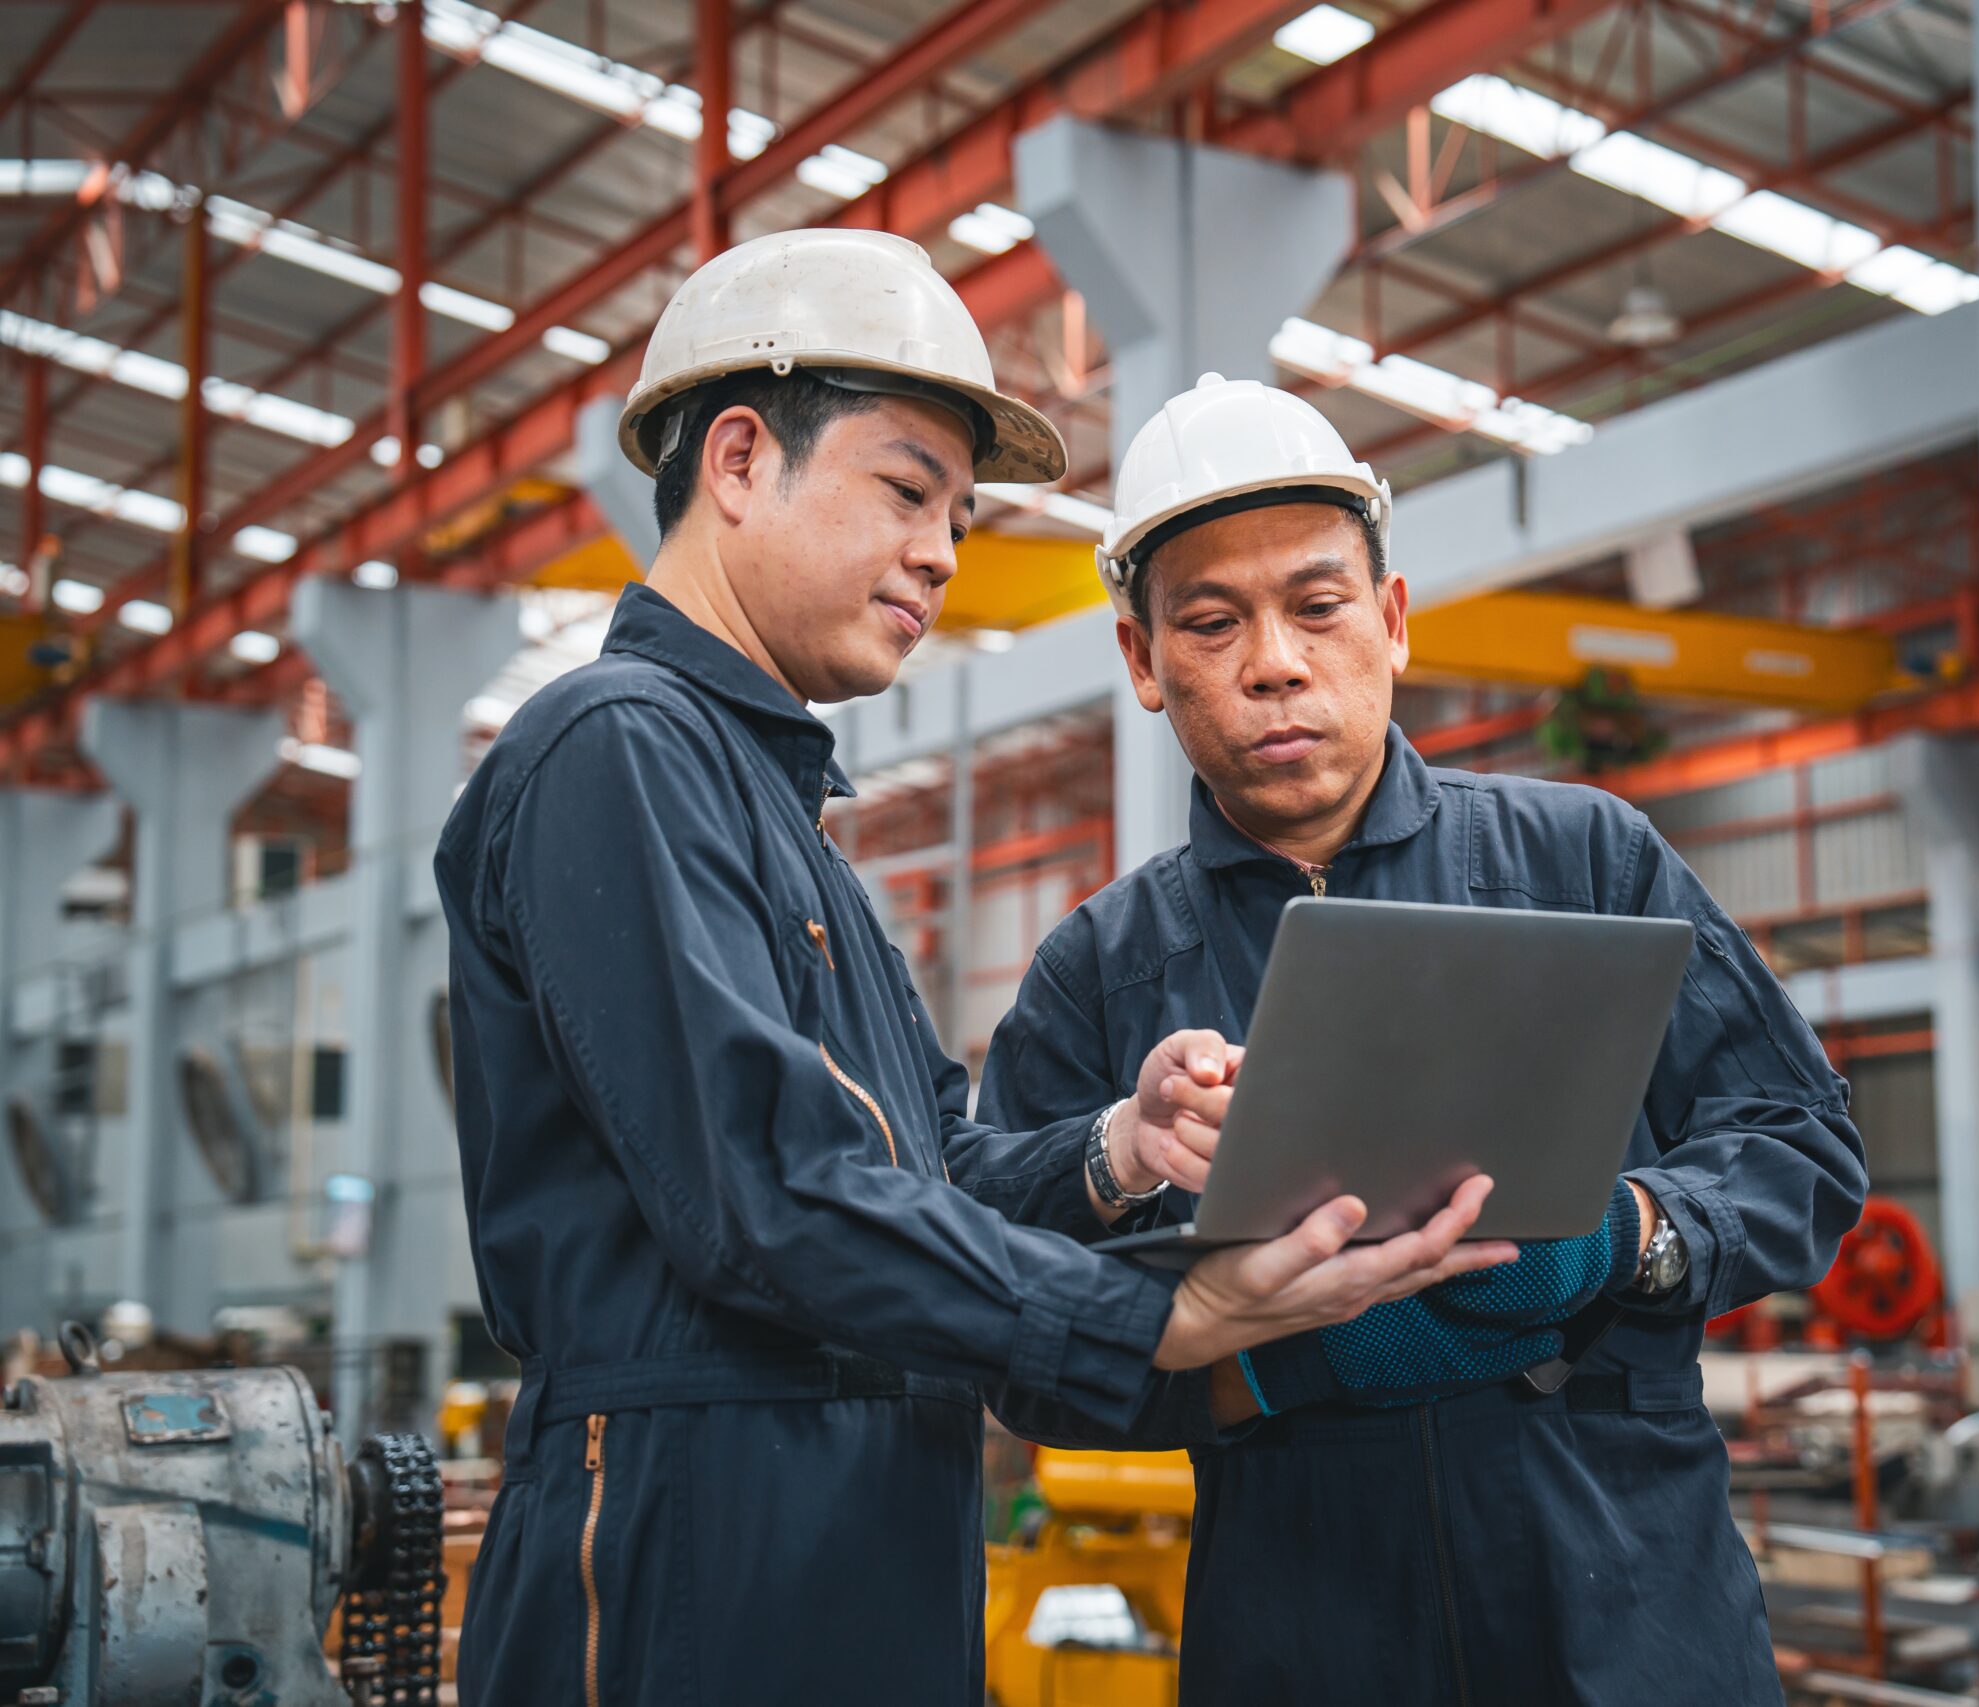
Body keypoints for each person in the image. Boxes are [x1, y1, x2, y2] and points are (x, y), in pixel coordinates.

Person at [434, 238, 1513, 1706]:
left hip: (859, 1524)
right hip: (698, 1533)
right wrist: (1160, 1319)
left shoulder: (778, 820)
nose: (945, 550)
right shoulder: (615, 746)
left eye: (957, 510)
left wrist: (1117, 1154)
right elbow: (770, 1192)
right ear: (740, 459)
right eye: (907, 490)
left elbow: (921, 1170)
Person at [977, 373, 1868, 1706]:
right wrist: (1152, 1207)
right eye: (1211, 623)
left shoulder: (1585, 861)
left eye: (1317, 607)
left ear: (1390, 623)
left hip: (1625, 1605)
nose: (1274, 661)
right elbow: (1007, 1319)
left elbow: (1800, 1149)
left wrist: (1623, 1232)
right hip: (1304, 1620)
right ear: (1142, 662)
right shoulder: (1104, 970)